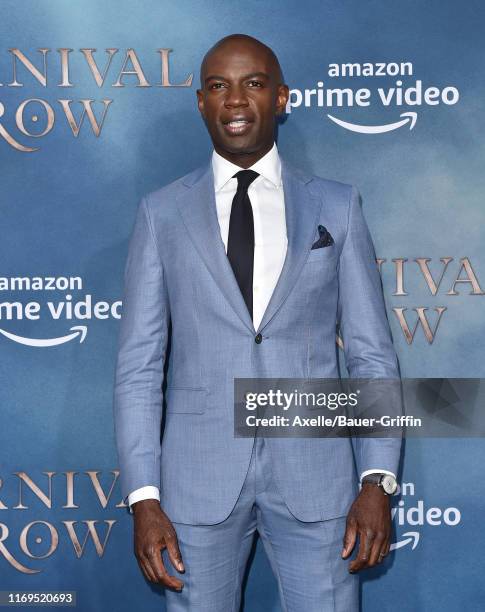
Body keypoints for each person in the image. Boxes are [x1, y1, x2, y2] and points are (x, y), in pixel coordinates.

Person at [113, 33, 401, 611]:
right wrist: (144, 496)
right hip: (197, 482)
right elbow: (140, 366)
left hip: (316, 474)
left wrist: (376, 480)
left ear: (281, 98)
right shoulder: (162, 213)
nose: (236, 100)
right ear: (201, 102)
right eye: (219, 86)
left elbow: (370, 354)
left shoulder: (336, 206)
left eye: (253, 83)